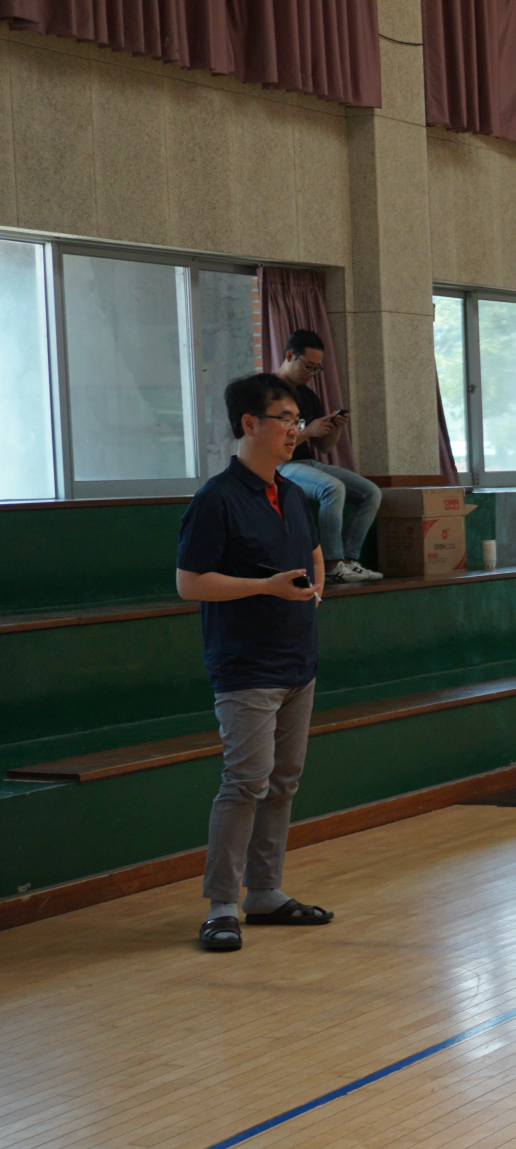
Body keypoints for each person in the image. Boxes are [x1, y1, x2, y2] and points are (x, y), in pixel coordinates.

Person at [176, 373, 338, 952]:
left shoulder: (292, 492)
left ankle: (265, 893)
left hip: (299, 663)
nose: (295, 430)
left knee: (283, 783)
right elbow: (190, 583)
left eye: (298, 421)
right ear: (249, 424)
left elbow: (315, 553)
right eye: (285, 420)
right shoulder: (215, 499)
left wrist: (314, 588)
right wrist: (265, 588)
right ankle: (222, 906)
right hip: (246, 667)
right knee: (245, 782)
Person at [273, 329, 384, 585]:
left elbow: (323, 447)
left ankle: (349, 560)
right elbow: (274, 443)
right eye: (308, 366)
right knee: (332, 487)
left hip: (307, 462)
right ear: (290, 355)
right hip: (280, 464)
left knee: (371, 492)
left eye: (317, 368)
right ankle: (332, 564)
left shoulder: (308, 395)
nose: (312, 373)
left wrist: (335, 427)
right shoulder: (269, 392)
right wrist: (307, 431)